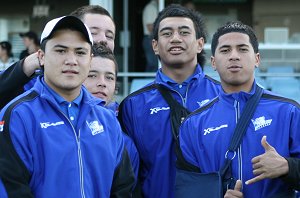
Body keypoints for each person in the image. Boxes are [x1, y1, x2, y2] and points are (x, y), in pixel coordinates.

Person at [0, 15, 134, 197]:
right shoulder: (18, 116)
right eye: (61, 51)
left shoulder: (107, 119)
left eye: (80, 52)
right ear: (41, 56)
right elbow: (12, 189)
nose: (71, 60)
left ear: (90, 58)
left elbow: (123, 188)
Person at [177, 21, 300, 198]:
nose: (234, 56)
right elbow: (187, 190)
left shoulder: (289, 112)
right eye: (225, 50)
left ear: (257, 59)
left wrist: (288, 167)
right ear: (213, 62)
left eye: (242, 49)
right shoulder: (193, 124)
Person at [118, 4, 220, 198]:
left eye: (184, 32)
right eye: (167, 33)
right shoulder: (133, 105)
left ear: (200, 44)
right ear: (155, 46)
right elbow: (129, 174)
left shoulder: (222, 96)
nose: (175, 38)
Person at [0, 5, 116, 109]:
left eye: (109, 36)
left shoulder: (112, 113)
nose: (103, 39)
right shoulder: (38, 84)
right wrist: (31, 63)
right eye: (93, 33)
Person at [83, 42, 140, 178]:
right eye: (92, 75)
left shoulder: (124, 143)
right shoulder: (60, 127)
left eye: (109, 77)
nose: (102, 82)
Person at [142, 0, 159, 72]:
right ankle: (148, 82)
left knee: (154, 64)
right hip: (150, 39)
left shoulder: (155, 7)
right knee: (153, 64)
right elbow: (150, 27)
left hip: (152, 39)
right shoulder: (151, 7)